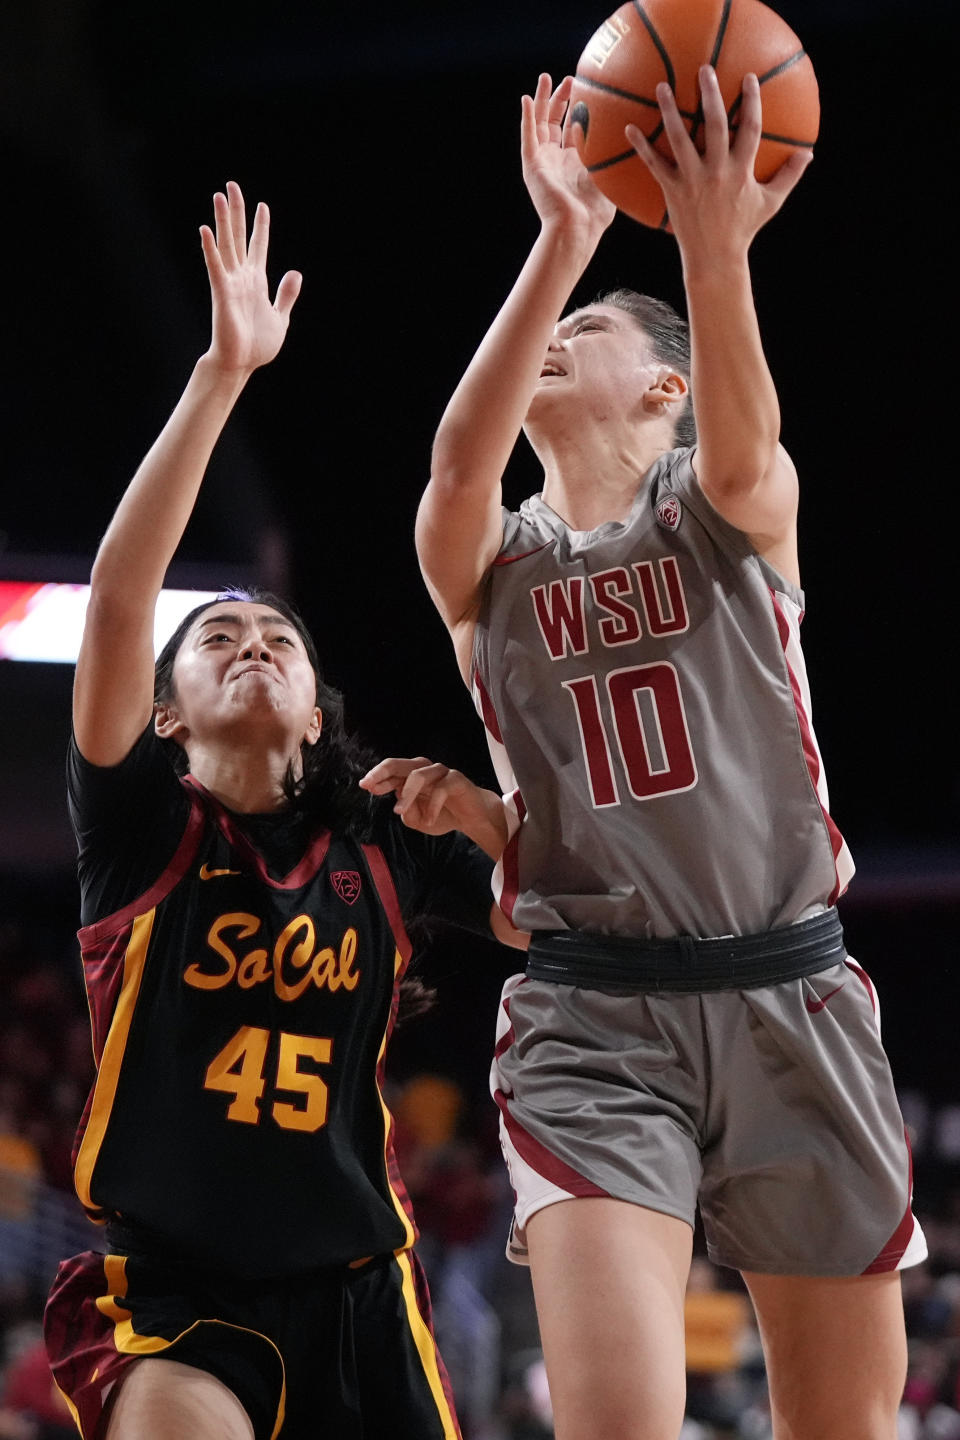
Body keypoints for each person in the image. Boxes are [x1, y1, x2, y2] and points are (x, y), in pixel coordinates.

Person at [415, 67, 925, 1440]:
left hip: (789, 994)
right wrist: (561, 246)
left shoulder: (727, 516)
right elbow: (458, 474)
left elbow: (750, 434)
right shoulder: (495, 562)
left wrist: (713, 243)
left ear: (666, 391)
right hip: (594, 1016)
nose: (552, 346)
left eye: (585, 329)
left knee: (844, 1428)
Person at [42, 182, 522, 1440]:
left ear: (316, 710)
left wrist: (489, 819)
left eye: (276, 637)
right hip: (178, 1292)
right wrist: (219, 377)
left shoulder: (379, 839)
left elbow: (556, 922)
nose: (251, 640)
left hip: (361, 1287)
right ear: (164, 716)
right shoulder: (141, 831)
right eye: (217, 636)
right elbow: (116, 595)